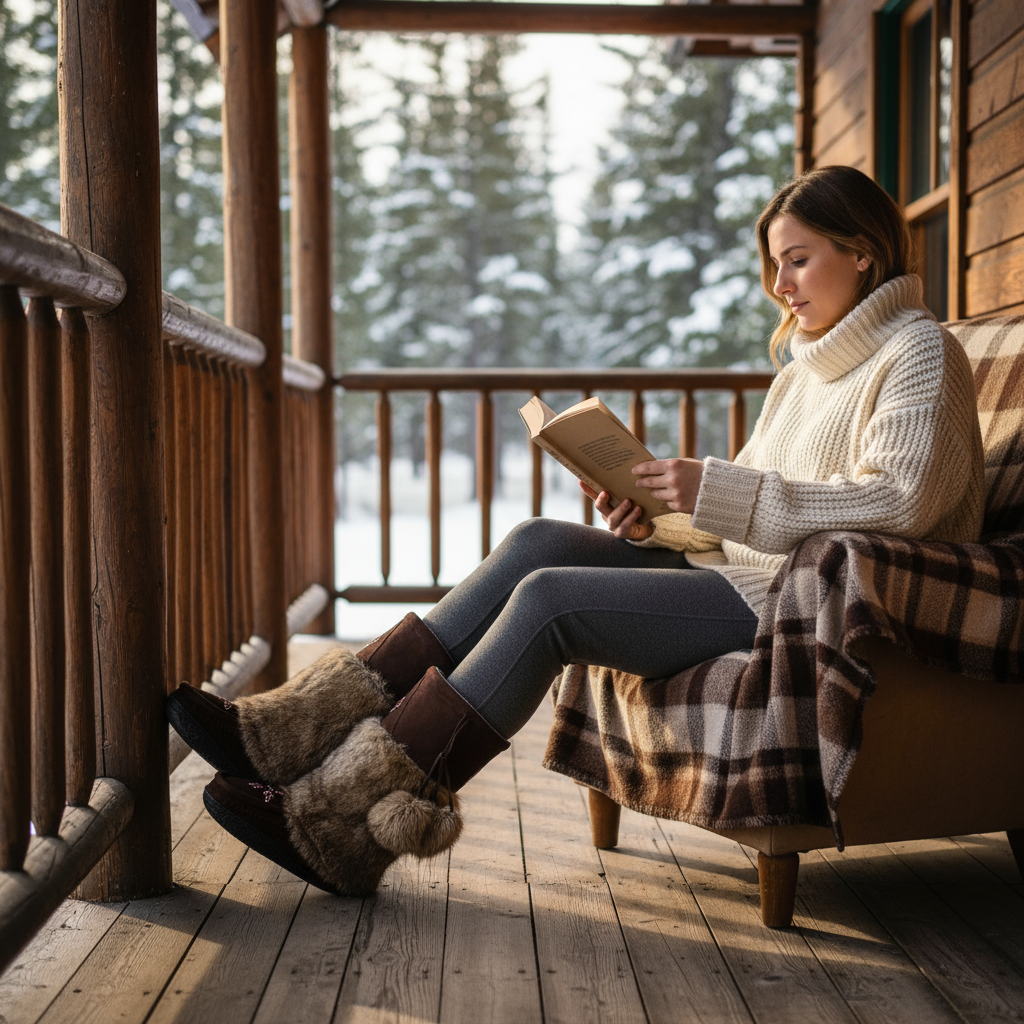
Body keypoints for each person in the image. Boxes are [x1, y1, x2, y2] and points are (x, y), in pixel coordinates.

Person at [167, 165, 985, 897]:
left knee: (551, 602)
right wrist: (655, 521)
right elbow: (744, 525)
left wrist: (720, 489)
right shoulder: (803, 370)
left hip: (803, 606)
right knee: (536, 544)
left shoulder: (919, 353)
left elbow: (900, 503)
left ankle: (340, 829)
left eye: (798, 259)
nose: (780, 284)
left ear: (864, 253)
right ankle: (289, 734)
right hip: (743, 577)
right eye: (773, 263)